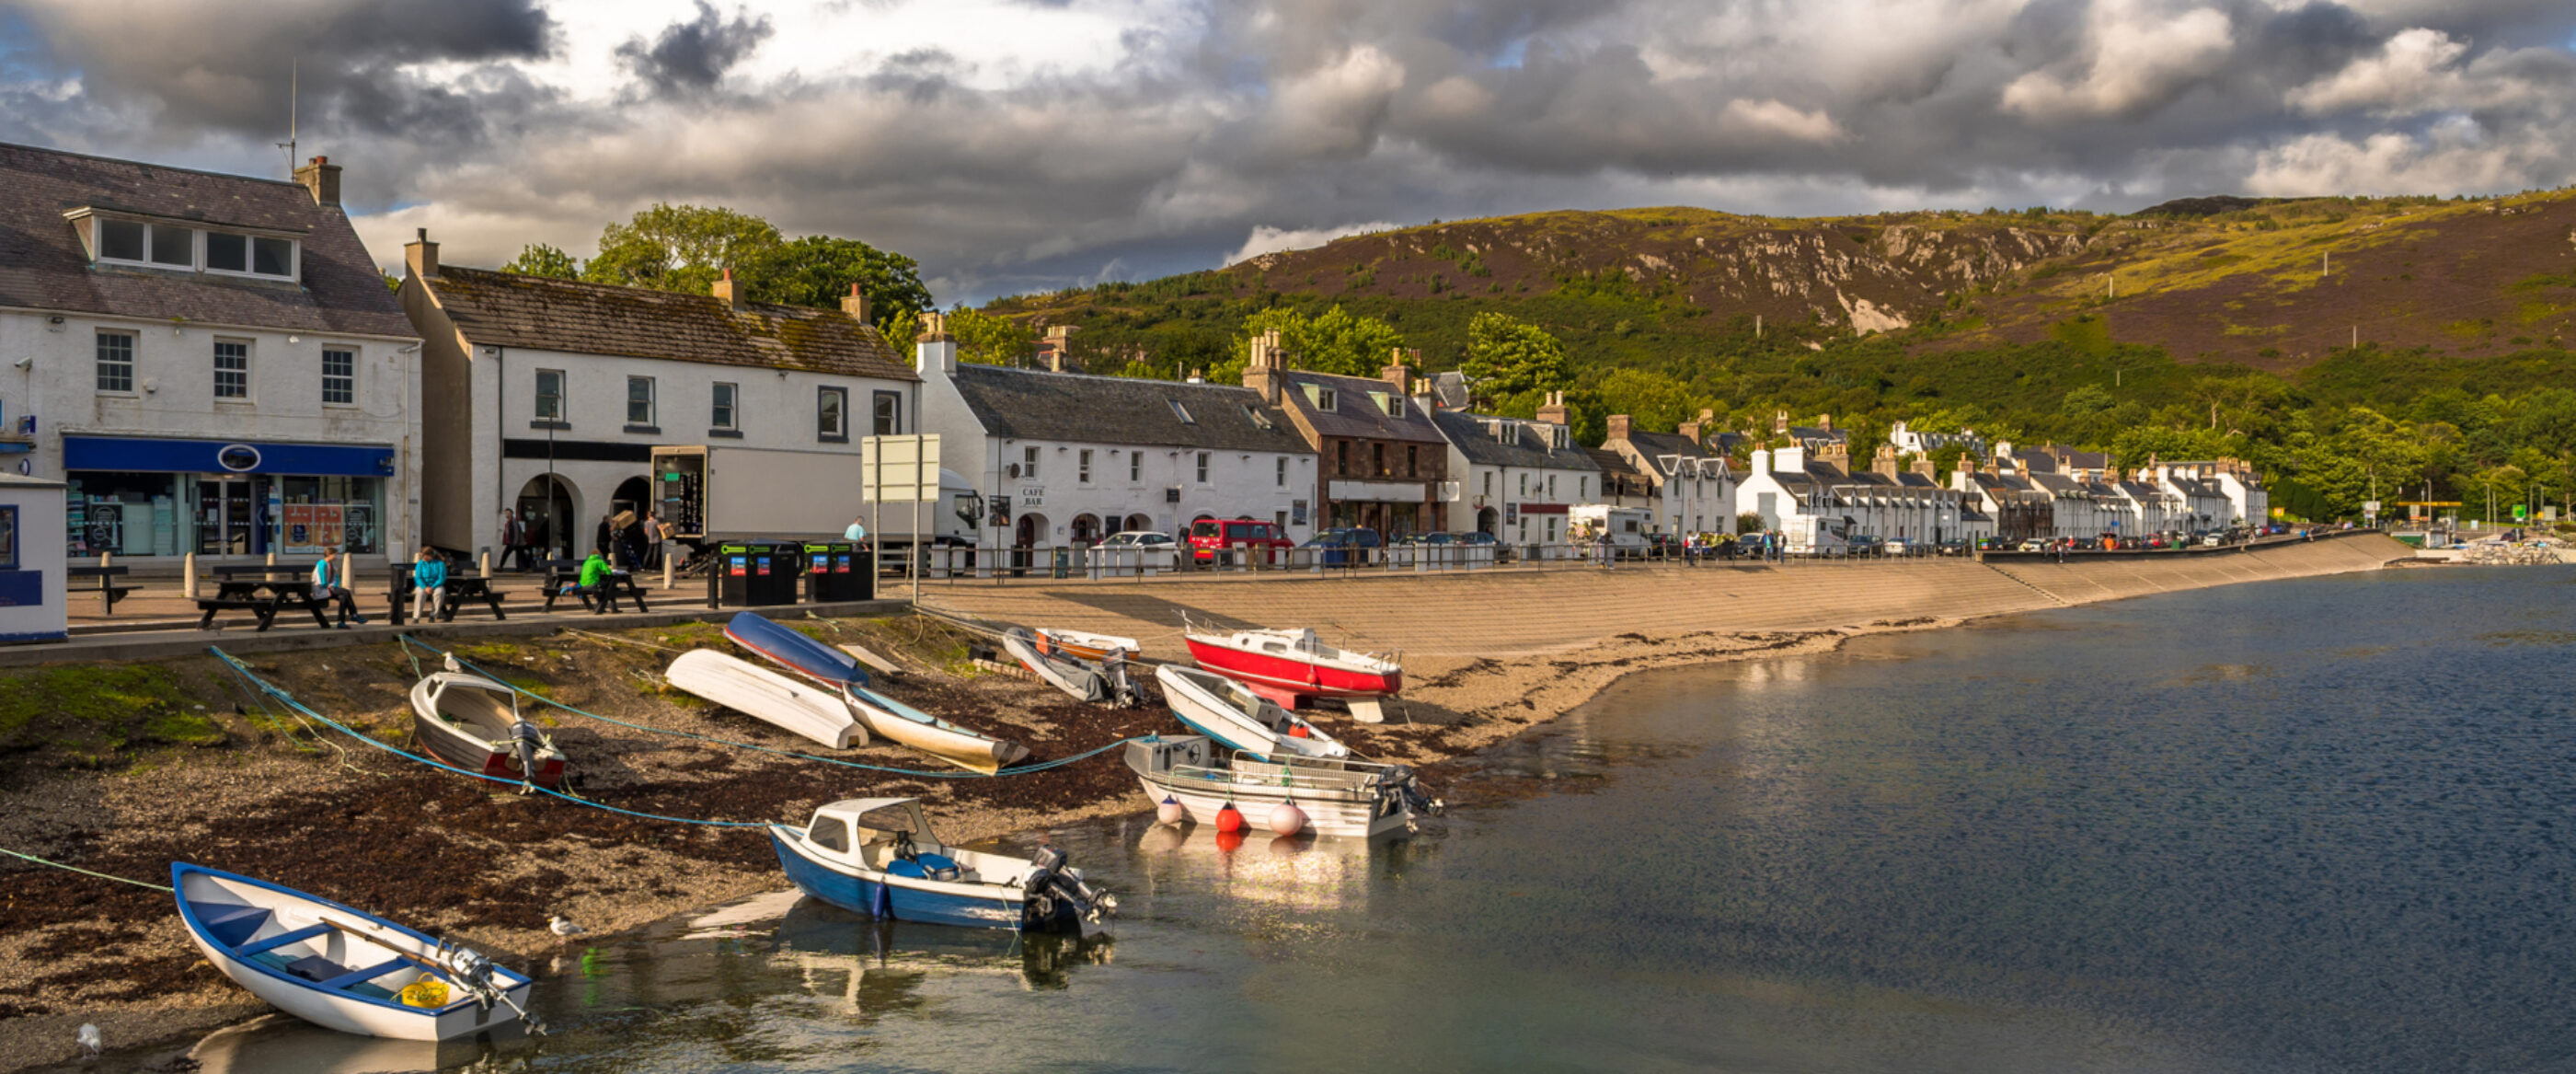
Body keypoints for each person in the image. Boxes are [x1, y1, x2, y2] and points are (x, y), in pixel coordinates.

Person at [310, 544, 365, 627]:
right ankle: (354, 614)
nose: (336, 556)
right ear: (329, 555)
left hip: (330, 588)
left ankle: (341, 622)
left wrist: (334, 585)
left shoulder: (331, 565)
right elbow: (321, 580)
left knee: (343, 598)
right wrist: (328, 586)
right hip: (322, 590)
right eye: (335, 554)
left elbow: (336, 578)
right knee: (346, 592)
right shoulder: (322, 564)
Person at [411, 547, 449, 622]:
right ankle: (416, 617)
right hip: (422, 585)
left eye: (425, 556)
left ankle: (433, 615)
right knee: (420, 593)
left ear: (430, 555)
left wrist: (433, 587)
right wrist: (425, 587)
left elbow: (441, 577)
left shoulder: (440, 564)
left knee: (439, 592)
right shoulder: (420, 564)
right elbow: (418, 577)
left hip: (436, 585)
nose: (423, 558)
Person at [570, 549, 615, 614]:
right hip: (592, 585)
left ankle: (596, 607)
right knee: (610, 587)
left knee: (602, 587)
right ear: (599, 555)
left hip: (582, 585)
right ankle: (611, 608)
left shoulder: (586, 562)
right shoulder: (599, 561)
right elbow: (608, 571)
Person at [498, 508, 525, 572]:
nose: (507, 515)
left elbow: (516, 533)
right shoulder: (508, 522)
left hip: (515, 543)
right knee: (521, 555)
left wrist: (514, 542)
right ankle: (525, 568)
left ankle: (500, 566)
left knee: (508, 554)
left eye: (508, 513)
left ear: (511, 514)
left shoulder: (513, 522)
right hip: (512, 542)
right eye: (506, 514)